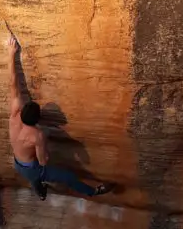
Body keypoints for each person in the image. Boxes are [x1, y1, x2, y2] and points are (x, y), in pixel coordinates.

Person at [7, 35, 114, 201]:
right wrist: (46, 143)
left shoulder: (14, 115)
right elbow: (43, 161)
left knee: (34, 179)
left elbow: (13, 83)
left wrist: (11, 53)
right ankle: (93, 192)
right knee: (68, 177)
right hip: (33, 167)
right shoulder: (37, 135)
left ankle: (39, 190)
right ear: (38, 119)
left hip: (17, 163)